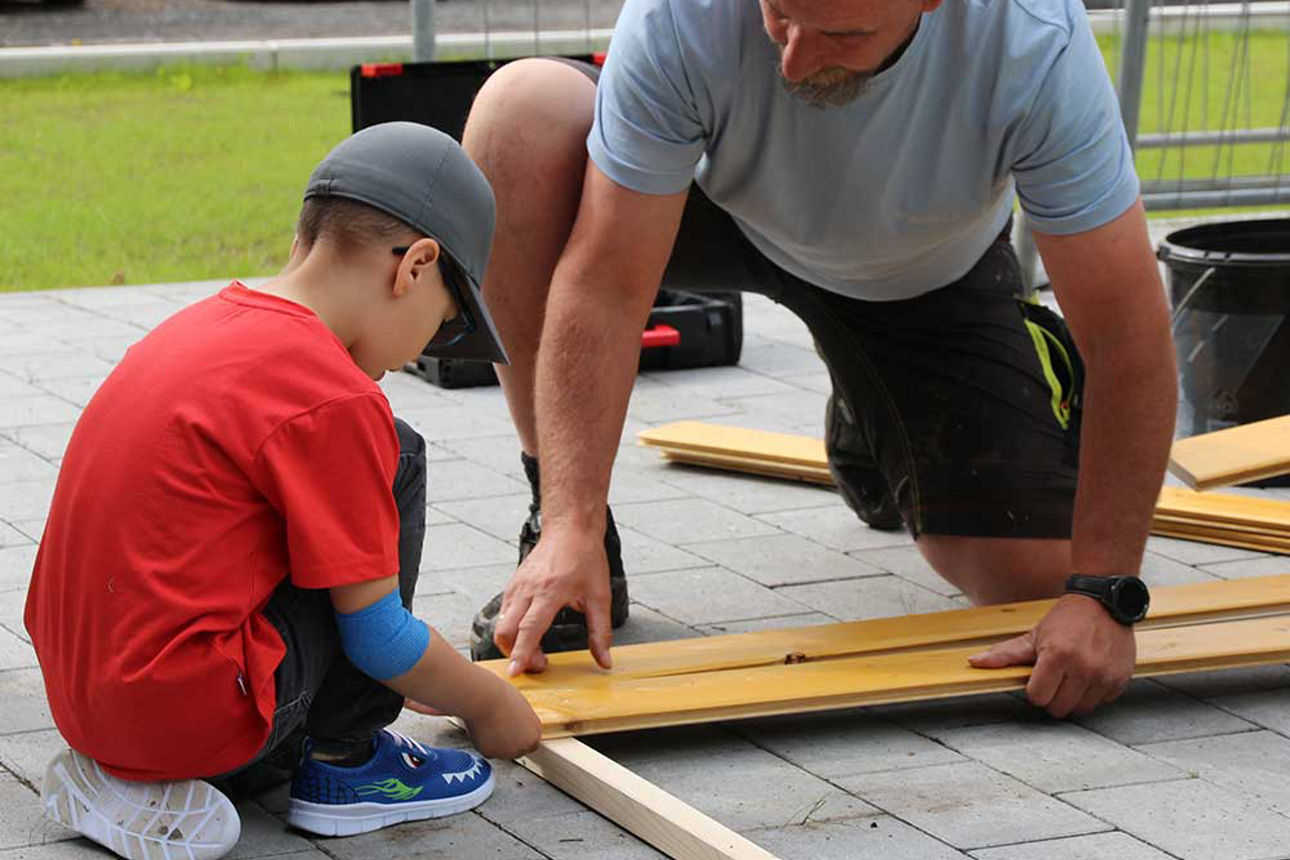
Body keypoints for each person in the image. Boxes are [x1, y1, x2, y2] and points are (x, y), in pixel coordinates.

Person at [463, 0, 1177, 720]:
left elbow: (1127, 334)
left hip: (914, 274)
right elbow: (606, 285)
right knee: (518, 115)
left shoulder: (1034, 39)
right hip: (710, 205)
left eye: (840, 32)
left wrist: (1104, 592)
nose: (793, 62)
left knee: (1035, 586)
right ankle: (564, 532)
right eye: (779, 14)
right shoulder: (683, 13)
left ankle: (877, 413)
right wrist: (569, 523)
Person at [24, 122, 541, 860]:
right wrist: (492, 706)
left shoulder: (192, 329)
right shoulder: (333, 396)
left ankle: (130, 779)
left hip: (87, 701)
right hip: (183, 711)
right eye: (444, 323)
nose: (421, 351)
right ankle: (348, 762)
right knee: (398, 455)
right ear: (417, 266)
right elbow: (378, 636)